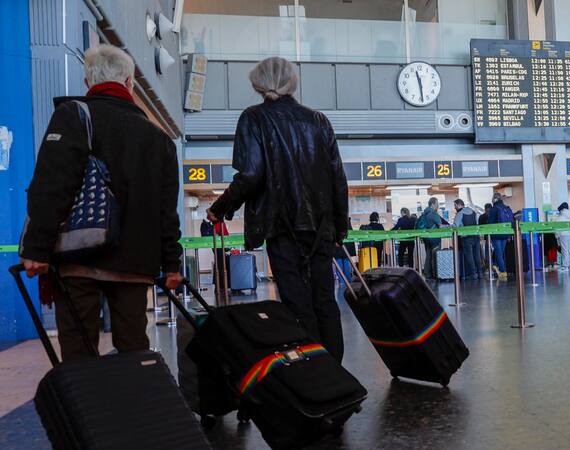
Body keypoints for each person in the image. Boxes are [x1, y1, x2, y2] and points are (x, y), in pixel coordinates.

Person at [19, 44, 183, 361]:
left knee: (80, 351)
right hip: (136, 264)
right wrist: (172, 263)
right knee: (134, 348)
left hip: (80, 257)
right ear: (129, 82)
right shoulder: (159, 138)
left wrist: (37, 248)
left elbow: (52, 185)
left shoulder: (74, 116)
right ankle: (132, 409)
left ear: (88, 83)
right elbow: (166, 210)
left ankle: (90, 410)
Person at [206, 56, 348, 362]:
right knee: (325, 301)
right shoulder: (319, 120)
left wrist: (221, 207)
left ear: (258, 83)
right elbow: (337, 177)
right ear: (291, 82)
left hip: (281, 225)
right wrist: (340, 227)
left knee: (297, 304)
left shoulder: (254, 118)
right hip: (321, 227)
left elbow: (252, 174)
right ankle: (336, 374)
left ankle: (313, 372)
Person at [487, 192, 513, 280]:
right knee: (500, 252)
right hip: (505, 233)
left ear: (494, 199)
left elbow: (489, 223)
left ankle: (503, 271)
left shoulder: (493, 209)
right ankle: (495, 265)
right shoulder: (506, 208)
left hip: (496, 234)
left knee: (498, 253)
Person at [453, 199, 481, 279]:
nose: (454, 207)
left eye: (455, 205)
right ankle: (480, 273)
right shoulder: (473, 212)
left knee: (470, 256)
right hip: (476, 236)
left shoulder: (460, 213)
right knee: (477, 255)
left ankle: (473, 274)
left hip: (466, 238)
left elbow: (455, 226)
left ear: (458, 205)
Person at [416, 197, 443, 278]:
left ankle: (427, 273)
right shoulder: (434, 214)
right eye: (437, 204)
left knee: (428, 255)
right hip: (435, 238)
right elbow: (440, 226)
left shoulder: (424, 213)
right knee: (435, 256)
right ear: (433, 204)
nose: (438, 206)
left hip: (426, 238)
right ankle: (436, 274)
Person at [556, 202, 570, 270]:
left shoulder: (560, 217)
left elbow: (556, 228)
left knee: (565, 250)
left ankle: (565, 266)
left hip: (563, 235)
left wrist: (557, 236)